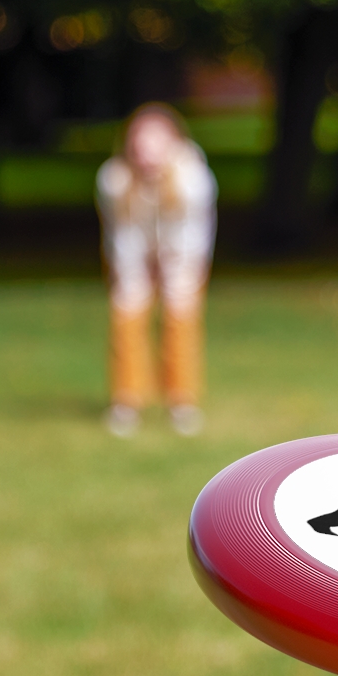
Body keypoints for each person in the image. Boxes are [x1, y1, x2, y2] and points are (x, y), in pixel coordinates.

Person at [96, 103, 218, 437]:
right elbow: (122, 234)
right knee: (127, 314)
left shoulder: (193, 179)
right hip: (133, 255)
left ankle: (182, 401)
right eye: (140, 143)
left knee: (181, 318)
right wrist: (135, 274)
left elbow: (192, 234)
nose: (146, 152)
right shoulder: (114, 179)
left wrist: (173, 270)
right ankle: (127, 401)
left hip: (182, 256)